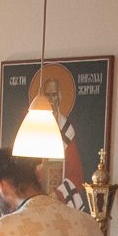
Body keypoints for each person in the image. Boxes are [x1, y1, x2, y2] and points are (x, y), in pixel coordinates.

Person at [42, 76, 86, 210]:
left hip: (58, 204)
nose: (50, 100)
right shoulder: (32, 129)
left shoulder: (66, 130)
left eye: (54, 95)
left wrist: (58, 194)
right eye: (47, 95)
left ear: (59, 98)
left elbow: (76, 175)